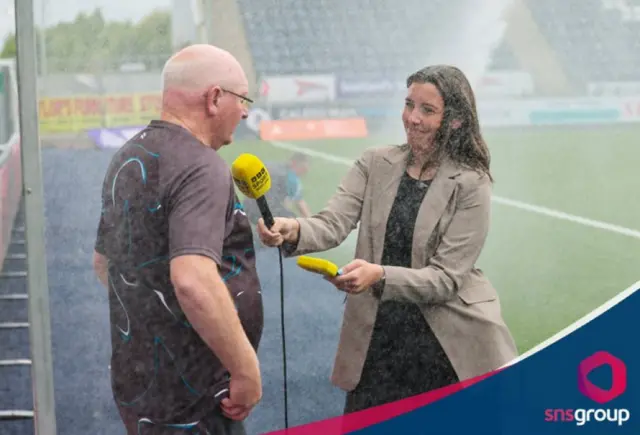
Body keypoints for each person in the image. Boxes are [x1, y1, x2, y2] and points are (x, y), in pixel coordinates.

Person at [257, 65, 519, 414]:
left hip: (445, 342)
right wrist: (293, 229)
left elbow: (445, 279)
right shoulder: (374, 162)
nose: (412, 118)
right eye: (409, 104)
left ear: (454, 121)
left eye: (427, 110)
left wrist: (378, 275)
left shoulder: (471, 182)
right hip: (378, 336)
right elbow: (333, 222)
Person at [92, 44, 263, 434]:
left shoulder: (129, 154)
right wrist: (244, 369)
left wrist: (158, 326)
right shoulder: (202, 167)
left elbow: (104, 263)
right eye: (243, 98)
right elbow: (192, 280)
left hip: (146, 387)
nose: (247, 111)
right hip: (194, 399)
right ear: (215, 98)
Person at [242, 152, 312, 225]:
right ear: (294, 163)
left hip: (247, 207)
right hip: (264, 213)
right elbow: (298, 204)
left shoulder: (270, 165)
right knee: (292, 222)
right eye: (303, 169)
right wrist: (311, 224)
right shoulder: (291, 179)